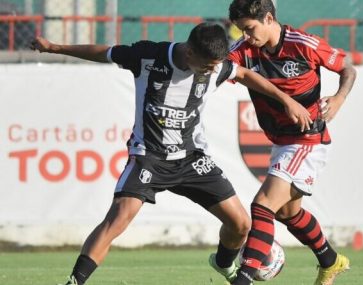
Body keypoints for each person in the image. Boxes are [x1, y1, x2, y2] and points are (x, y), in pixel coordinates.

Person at [31, 22, 313, 285]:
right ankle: (74, 281)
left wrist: (286, 100)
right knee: (118, 219)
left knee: (240, 225)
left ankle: (224, 265)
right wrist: (54, 47)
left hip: (192, 159)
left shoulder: (215, 67)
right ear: (189, 52)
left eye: (215, 66)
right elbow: (103, 52)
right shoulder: (148, 56)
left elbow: (244, 74)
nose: (210, 71)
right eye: (206, 66)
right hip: (149, 157)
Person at [226, 1, 357, 285]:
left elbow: (348, 68)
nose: (246, 36)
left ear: (269, 18)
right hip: (282, 141)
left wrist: (339, 98)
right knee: (289, 213)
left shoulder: (304, 44)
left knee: (263, 205)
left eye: (250, 28)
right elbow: (223, 67)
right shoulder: (244, 50)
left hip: (307, 139)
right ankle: (331, 261)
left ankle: (244, 278)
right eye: (242, 30)